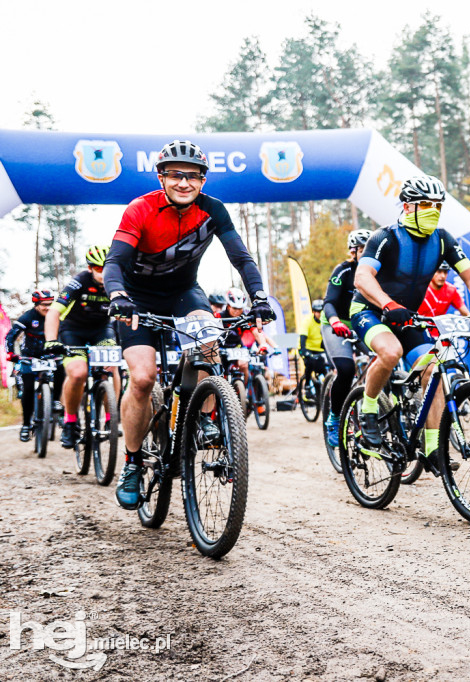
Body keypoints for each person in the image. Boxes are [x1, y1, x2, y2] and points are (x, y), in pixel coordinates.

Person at [103, 139, 273, 510]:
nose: (184, 183)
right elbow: (114, 263)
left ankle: (208, 418)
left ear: (202, 181)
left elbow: (241, 258)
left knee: (208, 345)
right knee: (144, 378)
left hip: (184, 294)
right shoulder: (141, 209)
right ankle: (132, 463)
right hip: (136, 298)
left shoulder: (213, 210)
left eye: (193, 176)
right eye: (176, 175)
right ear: (162, 176)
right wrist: (117, 296)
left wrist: (259, 297)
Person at [351, 175, 470, 472]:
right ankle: (367, 407)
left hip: (408, 318)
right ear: (407, 207)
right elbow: (362, 277)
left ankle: (432, 447)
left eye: (437, 205)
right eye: (425, 205)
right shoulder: (385, 237)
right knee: (390, 352)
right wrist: (388, 304)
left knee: (433, 368)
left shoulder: (443, 239)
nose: (433, 210)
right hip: (371, 311)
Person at [44, 245, 118, 449]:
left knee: (111, 366)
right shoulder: (79, 282)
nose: (104, 274)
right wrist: (51, 340)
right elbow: (53, 312)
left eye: (108, 268)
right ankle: (70, 422)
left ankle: (112, 416)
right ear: (90, 268)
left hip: (102, 330)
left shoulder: (118, 282)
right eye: (99, 269)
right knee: (77, 374)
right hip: (73, 330)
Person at [321, 228, 371, 447]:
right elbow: (329, 301)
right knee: (347, 369)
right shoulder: (343, 271)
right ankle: (334, 419)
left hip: (362, 322)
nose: (367, 254)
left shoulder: (378, 273)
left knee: (385, 359)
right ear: (354, 251)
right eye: (363, 250)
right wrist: (335, 321)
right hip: (337, 323)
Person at [5, 290, 59, 442]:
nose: (48, 308)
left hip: (50, 355)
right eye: (44, 305)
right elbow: (11, 336)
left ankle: (57, 407)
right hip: (30, 356)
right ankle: (26, 425)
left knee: (63, 373)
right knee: (28, 389)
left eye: (50, 304)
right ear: (36, 304)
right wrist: (10, 353)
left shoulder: (56, 315)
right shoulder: (28, 317)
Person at [299, 299, 329, 384]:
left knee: (324, 367)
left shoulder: (325, 321)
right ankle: (307, 384)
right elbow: (302, 337)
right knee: (309, 363)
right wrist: (304, 351)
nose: (319, 314)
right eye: (317, 311)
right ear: (313, 312)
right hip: (306, 348)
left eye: (321, 311)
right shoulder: (307, 321)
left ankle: (323, 387)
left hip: (319, 349)